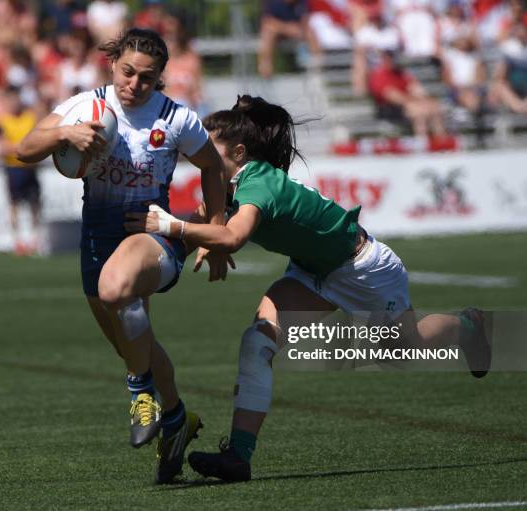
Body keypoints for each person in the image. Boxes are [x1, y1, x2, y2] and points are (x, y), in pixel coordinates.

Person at [125, 95, 492, 482]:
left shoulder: (257, 180)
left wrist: (172, 227)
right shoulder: (224, 185)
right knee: (257, 342)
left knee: (403, 348)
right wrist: (142, 264)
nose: (196, 148)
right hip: (311, 272)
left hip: (362, 269)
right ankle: (238, 457)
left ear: (237, 151)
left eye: (207, 141)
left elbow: (231, 236)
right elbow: (201, 228)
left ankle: (468, 327)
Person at [16, 28, 228, 484]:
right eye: (128, 72)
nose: (135, 84)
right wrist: (63, 134)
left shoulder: (176, 118)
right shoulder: (85, 106)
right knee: (135, 345)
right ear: (113, 64)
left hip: (151, 231)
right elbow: (24, 149)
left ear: (160, 80)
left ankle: (139, 393)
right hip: (97, 233)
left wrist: (213, 229)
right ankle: (176, 422)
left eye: (147, 78)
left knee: (118, 294)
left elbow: (212, 166)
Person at [0, 86, 41, 255]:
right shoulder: (3, 121)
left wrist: (18, 147)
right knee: (14, 204)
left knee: (34, 204)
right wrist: (24, 146)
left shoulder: (30, 118)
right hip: (13, 168)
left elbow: (38, 140)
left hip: (30, 167)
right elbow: (2, 147)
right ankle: (17, 240)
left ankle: (35, 238)